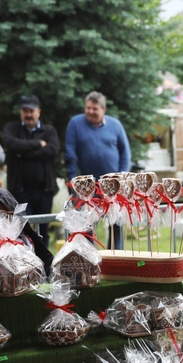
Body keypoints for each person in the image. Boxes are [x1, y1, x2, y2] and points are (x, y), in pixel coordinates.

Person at [65, 91, 131, 249]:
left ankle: (116, 258)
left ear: (103, 109)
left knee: (116, 225)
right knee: (87, 226)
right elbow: (70, 153)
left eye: (94, 109)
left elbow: (125, 152)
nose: (90, 112)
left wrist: (121, 179)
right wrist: (75, 180)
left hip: (113, 188)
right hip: (86, 188)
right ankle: (91, 260)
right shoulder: (75, 123)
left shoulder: (115, 125)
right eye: (88, 108)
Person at [2, 94, 60, 247]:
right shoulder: (11, 128)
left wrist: (23, 153)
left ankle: (46, 265)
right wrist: (38, 143)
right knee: (23, 230)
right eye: (25, 111)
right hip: (20, 191)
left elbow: (52, 150)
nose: (28, 114)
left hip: (44, 191)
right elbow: (11, 144)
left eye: (31, 111)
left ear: (38, 111)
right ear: (20, 112)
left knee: (44, 229)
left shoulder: (49, 130)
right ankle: (26, 266)